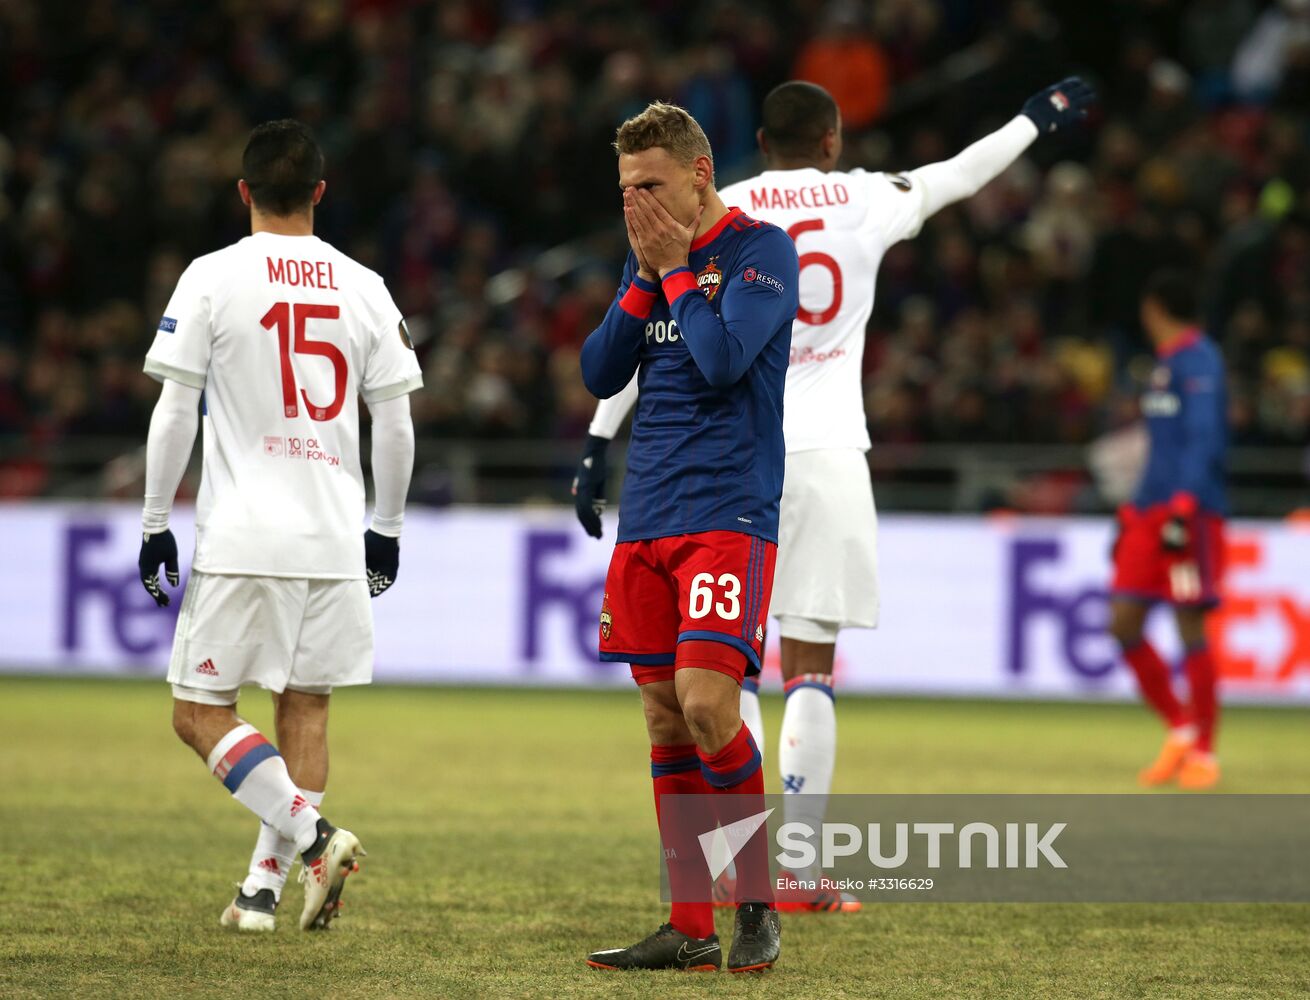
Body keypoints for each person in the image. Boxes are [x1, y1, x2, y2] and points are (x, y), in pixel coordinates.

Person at [573, 77, 1095, 909]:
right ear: (831, 140)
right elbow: (965, 170)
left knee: (719, 680)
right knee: (808, 668)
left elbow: (658, 339)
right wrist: (1037, 117)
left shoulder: (715, 207)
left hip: (721, 456)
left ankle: (722, 876)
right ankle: (796, 871)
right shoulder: (865, 198)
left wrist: (600, 437)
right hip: (823, 452)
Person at [137, 120, 422, 932]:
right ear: (321, 193)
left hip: (244, 535)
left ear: (243, 192)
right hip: (332, 535)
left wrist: (157, 519)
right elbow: (395, 422)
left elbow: (175, 409)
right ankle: (261, 892)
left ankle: (313, 836)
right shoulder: (365, 286)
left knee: (196, 713)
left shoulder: (211, 277)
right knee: (307, 708)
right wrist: (388, 527)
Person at [579, 101, 798, 973]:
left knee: (712, 707)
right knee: (666, 722)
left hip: (728, 511)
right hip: (650, 516)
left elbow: (721, 362)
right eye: (627, 188)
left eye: (651, 185)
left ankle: (756, 905)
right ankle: (688, 924)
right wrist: (647, 272)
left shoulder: (760, 251)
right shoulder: (650, 258)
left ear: (699, 173)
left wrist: (671, 270)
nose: (637, 202)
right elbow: (599, 369)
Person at [1109, 270, 1228, 790]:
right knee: (1123, 622)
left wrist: (1184, 503)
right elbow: (1163, 447)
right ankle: (1179, 729)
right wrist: (1135, 509)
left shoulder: (1200, 359)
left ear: (1154, 308)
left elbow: (1205, 438)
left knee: (1189, 625)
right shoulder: (1164, 365)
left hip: (1189, 512)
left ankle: (1203, 751)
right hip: (1150, 511)